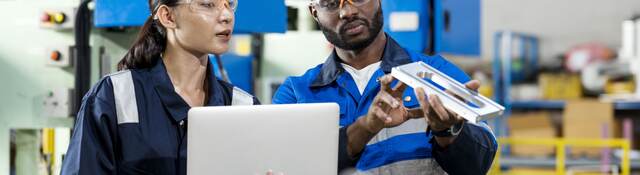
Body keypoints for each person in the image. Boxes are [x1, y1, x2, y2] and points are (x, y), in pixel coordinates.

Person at [272, 0, 497, 174]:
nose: (347, 12)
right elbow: (284, 165)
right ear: (315, 13)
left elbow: (478, 166)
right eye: (331, 3)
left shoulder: (435, 74)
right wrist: (365, 128)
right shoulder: (296, 93)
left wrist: (447, 132)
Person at [60, 0, 258, 174]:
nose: (226, 16)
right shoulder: (114, 97)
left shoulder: (243, 107)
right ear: (168, 16)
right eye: (207, 4)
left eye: (229, 4)